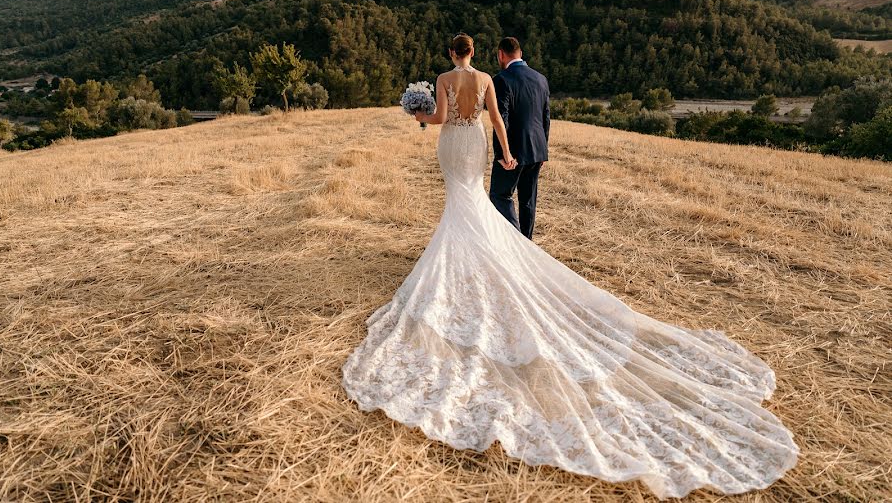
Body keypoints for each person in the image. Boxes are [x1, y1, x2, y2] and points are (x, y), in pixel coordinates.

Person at [341, 33, 798, 500]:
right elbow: (497, 118)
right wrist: (504, 151)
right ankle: (496, 251)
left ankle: (475, 257)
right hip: (477, 142)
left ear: (450, 54)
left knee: (460, 203)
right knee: (474, 198)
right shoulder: (484, 80)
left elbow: (439, 117)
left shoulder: (441, 79)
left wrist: (417, 114)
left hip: (451, 144)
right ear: (475, 53)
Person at [490, 37, 550, 240]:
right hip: (537, 149)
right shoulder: (541, 78)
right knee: (528, 200)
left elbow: (501, 119)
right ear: (520, 53)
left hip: (513, 151)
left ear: (501, 54)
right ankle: (527, 243)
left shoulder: (502, 79)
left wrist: (501, 153)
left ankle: (516, 244)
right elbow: (545, 117)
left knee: (500, 195)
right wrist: (543, 150)